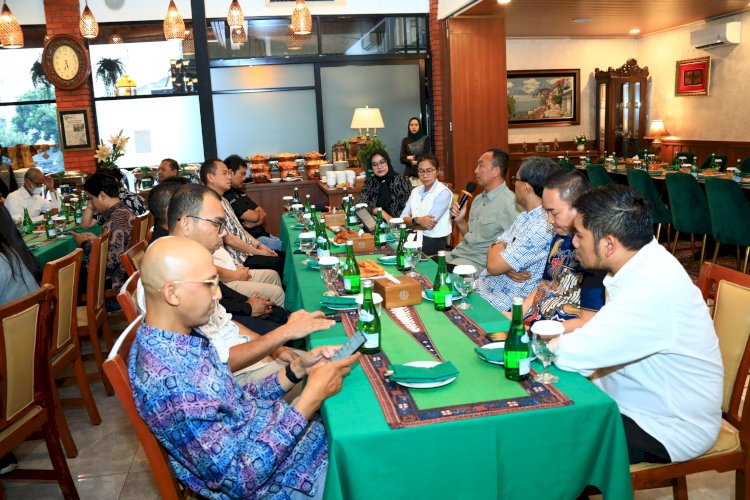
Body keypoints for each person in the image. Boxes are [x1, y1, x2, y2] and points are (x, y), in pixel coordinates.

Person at [130, 236, 360, 498]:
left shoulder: (180, 338)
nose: (218, 296)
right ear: (172, 293)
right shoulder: (169, 383)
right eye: (210, 285)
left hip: (279, 443)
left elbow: (234, 400)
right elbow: (239, 479)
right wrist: (309, 399)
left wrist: (295, 370)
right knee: (372, 457)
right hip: (284, 482)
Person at [556, 185, 723, 464]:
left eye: (580, 235)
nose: (573, 242)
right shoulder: (639, 262)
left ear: (609, 244)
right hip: (632, 399)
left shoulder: (653, 286)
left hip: (666, 425)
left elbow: (573, 354)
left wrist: (530, 345)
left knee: (546, 442)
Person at [166, 184, 285, 326]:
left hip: (226, 324)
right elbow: (212, 335)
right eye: (216, 223)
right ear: (186, 223)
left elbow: (221, 293)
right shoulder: (172, 264)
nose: (223, 233)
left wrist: (248, 304)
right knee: (279, 317)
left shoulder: (191, 254)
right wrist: (248, 308)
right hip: (223, 333)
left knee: (278, 314)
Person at [513, 169, 606, 331]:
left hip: (561, 333)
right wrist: (517, 316)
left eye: (553, 212)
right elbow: (545, 284)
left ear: (579, 207)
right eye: (546, 212)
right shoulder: (560, 236)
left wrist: (537, 332)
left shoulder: (594, 250)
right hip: (535, 321)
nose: (549, 220)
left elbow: (589, 322)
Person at [475, 157, 558, 312]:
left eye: (515, 179)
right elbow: (497, 248)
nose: (513, 185)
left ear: (526, 187)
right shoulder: (525, 216)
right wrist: (505, 263)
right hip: (483, 290)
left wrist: (501, 256)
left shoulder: (542, 224)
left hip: (499, 305)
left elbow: (493, 265)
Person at [201, 159, 286, 280]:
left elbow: (240, 229)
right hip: (238, 259)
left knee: (284, 256)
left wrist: (260, 246)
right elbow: (229, 240)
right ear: (211, 177)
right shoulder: (209, 203)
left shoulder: (224, 200)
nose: (229, 177)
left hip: (247, 252)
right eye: (224, 173)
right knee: (281, 262)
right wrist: (259, 252)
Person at [446, 148, 519, 273]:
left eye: (481, 165)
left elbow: (518, 244)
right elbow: (472, 237)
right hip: (459, 255)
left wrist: (508, 270)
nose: (475, 170)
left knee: (434, 280)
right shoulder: (478, 199)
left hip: (477, 264)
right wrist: (460, 221)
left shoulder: (511, 203)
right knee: (423, 267)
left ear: (496, 171)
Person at [72, 173, 134, 291]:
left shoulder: (118, 219)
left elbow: (109, 263)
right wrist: (97, 242)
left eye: (90, 199)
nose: (91, 204)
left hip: (114, 279)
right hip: (122, 273)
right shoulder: (123, 210)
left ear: (101, 195)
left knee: (61, 279)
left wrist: (86, 244)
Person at [223, 154, 283, 251]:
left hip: (264, 235)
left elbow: (262, 212)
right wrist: (257, 219)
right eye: (242, 174)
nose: (244, 178)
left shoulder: (238, 191)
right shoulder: (227, 195)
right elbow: (254, 216)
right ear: (230, 173)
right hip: (255, 241)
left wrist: (255, 223)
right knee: (291, 249)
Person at [399, 155, 452, 256]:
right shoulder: (415, 191)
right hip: (415, 234)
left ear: (437, 171)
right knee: (394, 243)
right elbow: (402, 218)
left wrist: (411, 222)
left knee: (402, 249)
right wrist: (418, 220)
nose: (425, 175)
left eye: (429, 170)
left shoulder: (443, 193)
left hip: (434, 240)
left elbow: (428, 225)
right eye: (421, 171)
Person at [79, 168, 146, 229]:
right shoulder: (114, 203)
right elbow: (85, 225)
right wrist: (91, 200)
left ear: (115, 181)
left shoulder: (122, 204)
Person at [359, 149, 412, 220]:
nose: (379, 167)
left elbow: (409, 209)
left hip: (397, 226)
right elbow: (361, 204)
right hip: (374, 226)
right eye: (375, 164)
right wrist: (380, 212)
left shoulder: (401, 181)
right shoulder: (370, 182)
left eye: (382, 162)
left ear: (388, 162)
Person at [146, 176, 190, 242]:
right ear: (170, 211)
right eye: (186, 204)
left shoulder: (170, 235)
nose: (191, 209)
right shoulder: (168, 246)